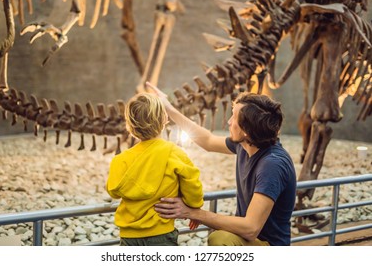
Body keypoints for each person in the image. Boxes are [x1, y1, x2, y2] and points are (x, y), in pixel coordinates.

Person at [147, 82, 297, 246]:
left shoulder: (272, 165)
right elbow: (208, 141)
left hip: (268, 246)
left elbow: (251, 228)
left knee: (220, 239)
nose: (229, 122)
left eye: (234, 117)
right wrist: (169, 109)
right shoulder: (246, 144)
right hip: (250, 239)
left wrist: (194, 213)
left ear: (246, 130)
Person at [105, 92, 204, 246]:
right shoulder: (174, 153)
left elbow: (113, 190)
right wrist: (194, 206)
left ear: (130, 125)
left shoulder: (120, 160)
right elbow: (192, 182)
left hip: (128, 237)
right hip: (162, 234)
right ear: (164, 119)